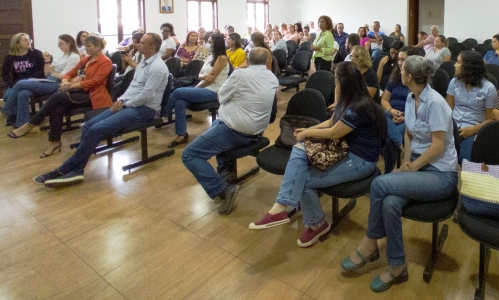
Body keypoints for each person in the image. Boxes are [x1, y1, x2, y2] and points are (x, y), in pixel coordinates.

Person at [341, 56, 458, 293]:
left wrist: (412, 167)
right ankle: (397, 265)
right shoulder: (411, 97)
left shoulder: (435, 103)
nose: (398, 71)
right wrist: (406, 161)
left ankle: (370, 243)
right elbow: (409, 133)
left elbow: (438, 146)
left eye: (402, 69)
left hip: (441, 174)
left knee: (379, 185)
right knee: (390, 203)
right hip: (418, 165)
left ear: (410, 77)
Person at [248, 61, 386, 249]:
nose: (333, 83)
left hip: (360, 160)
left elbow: (334, 132)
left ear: (343, 82)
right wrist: (308, 130)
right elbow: (330, 122)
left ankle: (316, 223)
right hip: (343, 150)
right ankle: (283, 207)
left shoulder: (359, 105)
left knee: (302, 178)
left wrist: (306, 133)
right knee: (300, 149)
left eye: (336, 80)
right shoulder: (348, 98)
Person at [32, 33, 169, 188]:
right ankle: (76, 169)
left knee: (96, 130)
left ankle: (64, 169)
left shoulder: (157, 67)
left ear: (152, 47)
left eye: (142, 43)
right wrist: (121, 100)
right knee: (89, 125)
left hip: (144, 109)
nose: (137, 44)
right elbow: (133, 87)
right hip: (130, 104)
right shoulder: (143, 62)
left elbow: (147, 95)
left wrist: (124, 104)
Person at [182, 48, 278, 215]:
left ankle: (223, 190)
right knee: (218, 124)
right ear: (267, 60)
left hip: (236, 132)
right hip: (256, 131)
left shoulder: (240, 74)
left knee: (190, 154)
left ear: (247, 60)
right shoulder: (273, 78)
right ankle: (224, 171)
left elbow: (221, 97)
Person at [9, 35, 112, 158]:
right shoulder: (85, 59)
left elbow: (95, 82)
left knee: (58, 97)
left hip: (93, 95)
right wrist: (65, 81)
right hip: (79, 92)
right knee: (57, 107)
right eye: (86, 46)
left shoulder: (105, 61)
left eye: (89, 46)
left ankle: (31, 124)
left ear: (98, 47)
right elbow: (69, 73)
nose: (86, 49)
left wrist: (71, 86)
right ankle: (54, 141)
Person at [3, 34, 79, 134]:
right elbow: (47, 72)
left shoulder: (74, 56)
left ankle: (4, 112)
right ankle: (21, 125)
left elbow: (64, 76)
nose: (58, 46)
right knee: (23, 93)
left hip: (58, 83)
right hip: (49, 79)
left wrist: (53, 72)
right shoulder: (62, 55)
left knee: (20, 83)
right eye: (58, 44)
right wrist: (47, 62)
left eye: (61, 44)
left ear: (69, 43)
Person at [162, 33, 229, 147]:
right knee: (179, 102)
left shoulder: (222, 58)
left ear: (216, 43)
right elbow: (199, 75)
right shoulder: (210, 57)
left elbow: (211, 79)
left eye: (210, 42)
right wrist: (202, 77)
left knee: (178, 92)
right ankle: (181, 135)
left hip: (214, 91)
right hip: (204, 87)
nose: (208, 44)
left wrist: (196, 88)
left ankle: (163, 114)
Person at [446, 51, 498, 163]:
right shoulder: (454, 82)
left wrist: (473, 130)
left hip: (473, 130)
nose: (455, 65)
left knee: (464, 159)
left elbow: (489, 120)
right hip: (452, 127)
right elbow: (448, 110)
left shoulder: (489, 88)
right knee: (439, 154)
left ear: (469, 67)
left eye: (459, 62)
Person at [379, 46, 422, 174]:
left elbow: (420, 109)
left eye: (403, 59)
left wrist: (406, 117)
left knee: (388, 140)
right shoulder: (396, 77)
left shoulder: (417, 82)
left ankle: (388, 172)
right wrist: (391, 110)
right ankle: (401, 145)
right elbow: (384, 100)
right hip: (390, 114)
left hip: (407, 118)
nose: (399, 62)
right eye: (399, 59)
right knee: (379, 112)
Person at [1, 33, 45, 127]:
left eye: (29, 39)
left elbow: (42, 71)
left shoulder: (36, 53)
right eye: (25, 40)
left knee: (21, 94)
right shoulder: (10, 57)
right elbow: (4, 74)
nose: (29, 42)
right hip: (16, 82)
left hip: (32, 81)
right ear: (17, 44)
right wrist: (11, 83)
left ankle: (15, 118)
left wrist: (27, 80)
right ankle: (14, 116)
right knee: (7, 95)